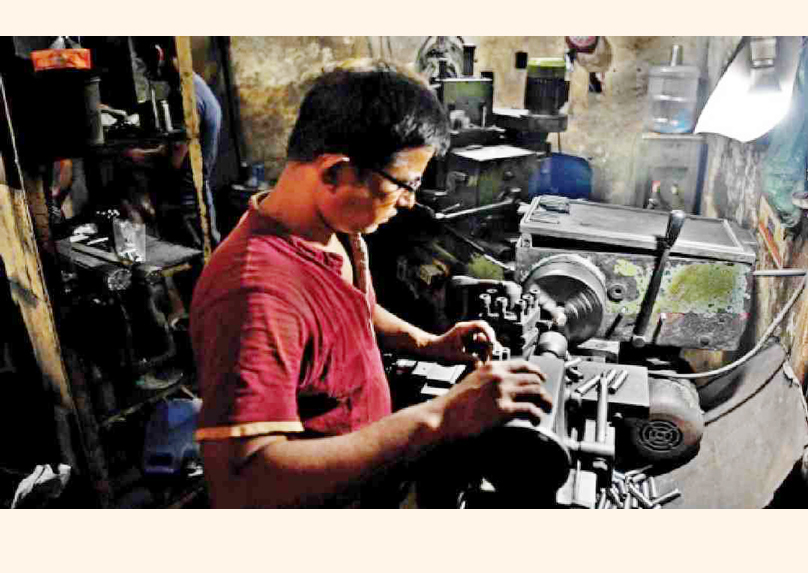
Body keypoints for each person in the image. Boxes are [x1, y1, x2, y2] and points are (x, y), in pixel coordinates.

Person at [189, 59, 552, 508]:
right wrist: (442, 416)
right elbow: (243, 485)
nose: (410, 202)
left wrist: (428, 343)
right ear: (336, 171)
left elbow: (352, 306)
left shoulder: (334, 227)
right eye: (404, 184)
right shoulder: (256, 294)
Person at [125, 40, 222, 248]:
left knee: (198, 268)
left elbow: (174, 161)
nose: (143, 70)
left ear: (158, 54)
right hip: (193, 202)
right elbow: (175, 148)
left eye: (142, 62)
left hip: (188, 208)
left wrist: (135, 156)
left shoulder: (186, 97)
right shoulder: (192, 85)